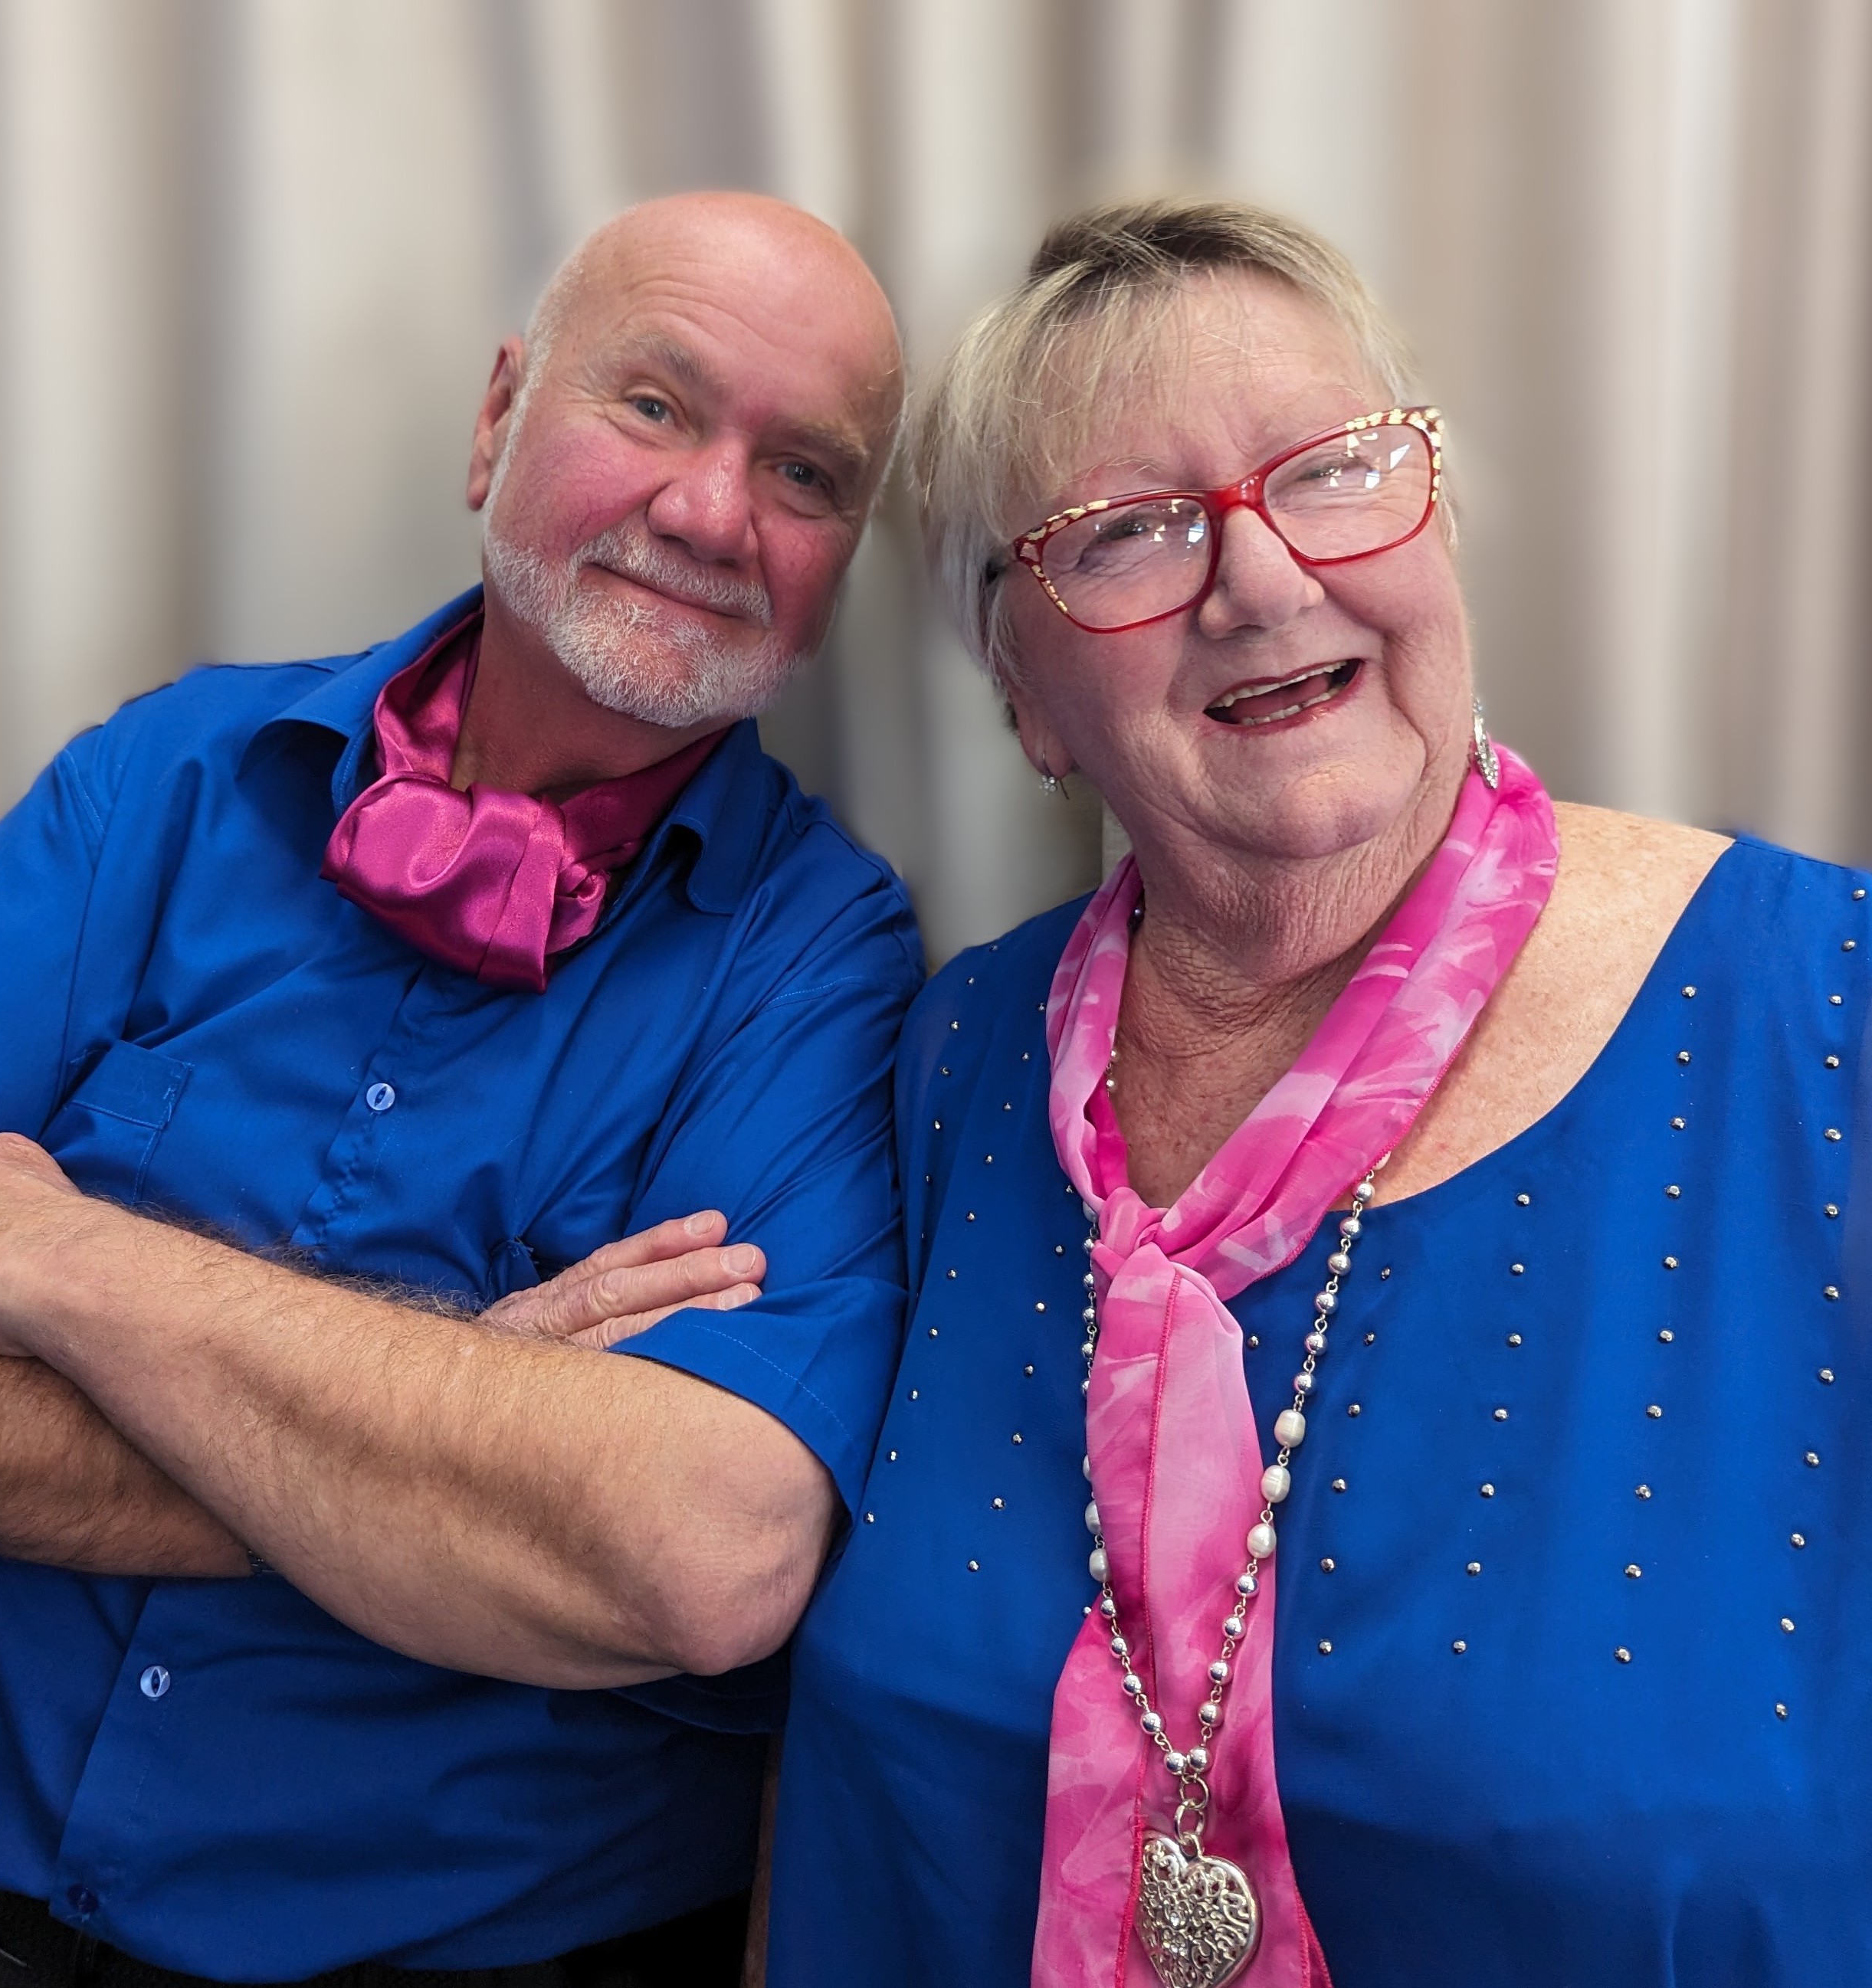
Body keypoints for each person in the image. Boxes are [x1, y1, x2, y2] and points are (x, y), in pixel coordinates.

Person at [0, 191, 918, 1988]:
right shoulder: (171, 776)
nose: (714, 511)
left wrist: (64, 1264)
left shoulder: (824, 960)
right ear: (498, 419)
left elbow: (700, 1553)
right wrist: (454, 1443)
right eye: (654, 404)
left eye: (805, 472)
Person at [763, 198, 1872, 1987]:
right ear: (1027, 696)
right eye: (1127, 531)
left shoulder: (1826, 1014)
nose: (1264, 580)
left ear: (1439, 527)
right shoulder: (953, 1058)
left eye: (1335, 469)